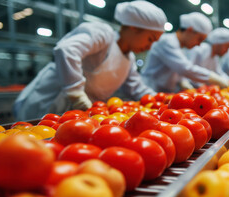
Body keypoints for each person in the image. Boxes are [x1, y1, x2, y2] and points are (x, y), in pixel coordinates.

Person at [13, 1, 166, 121]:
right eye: (150, 39)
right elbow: (67, 50)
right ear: (133, 27)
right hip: (47, 104)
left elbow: (137, 89)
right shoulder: (103, 35)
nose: (149, 46)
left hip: (77, 116)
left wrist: (164, 102)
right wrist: (76, 93)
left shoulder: (129, 59)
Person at [141, 12, 229, 93]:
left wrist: (182, 82)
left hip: (165, 93)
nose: (199, 45)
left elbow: (177, 70)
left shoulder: (180, 47)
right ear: (189, 30)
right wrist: (213, 77)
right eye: (199, 39)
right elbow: (185, 68)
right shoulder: (167, 42)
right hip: (150, 90)